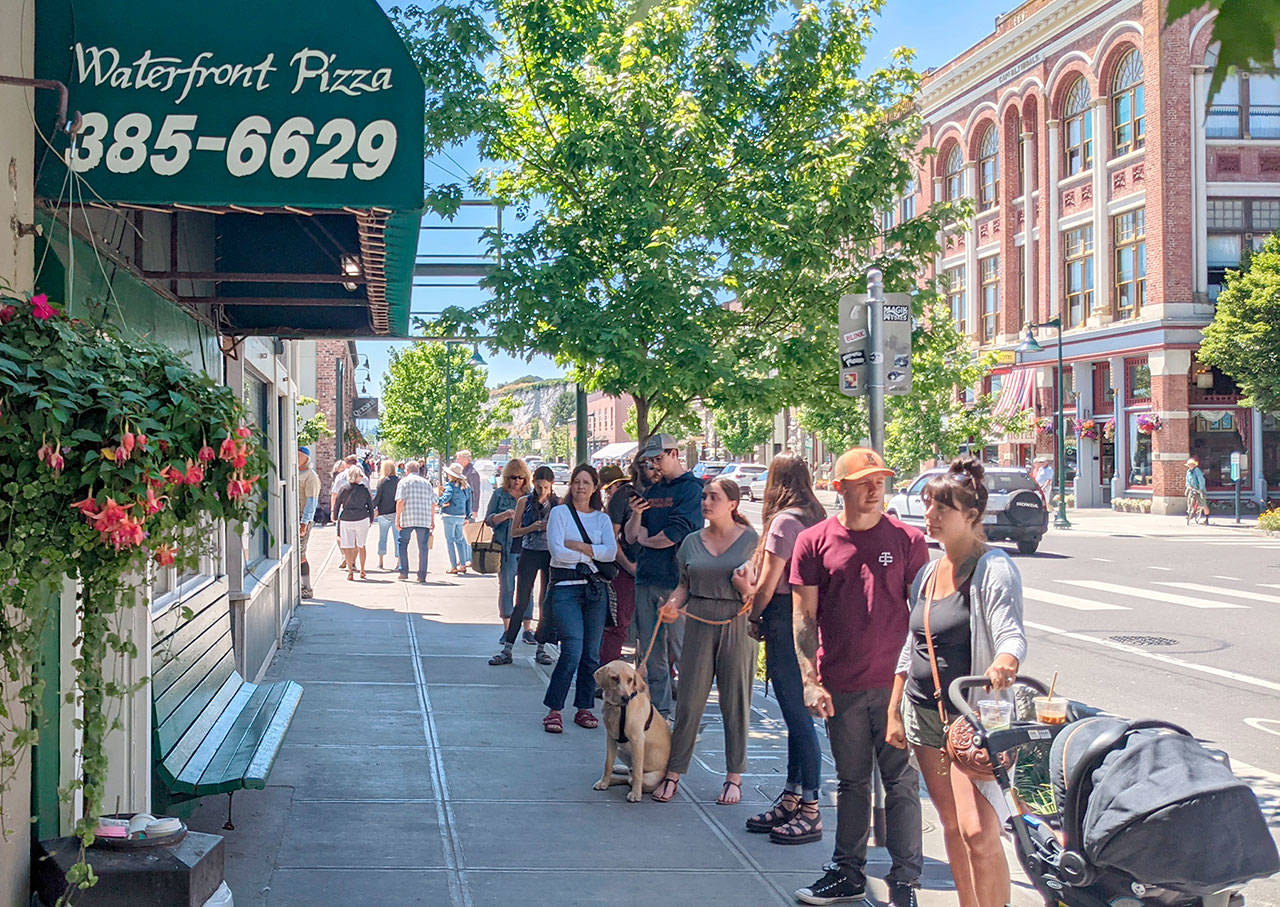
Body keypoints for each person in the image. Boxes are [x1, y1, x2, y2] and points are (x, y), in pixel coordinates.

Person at [791, 448, 928, 907]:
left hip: (896, 686)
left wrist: (918, 683)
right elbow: (804, 615)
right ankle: (847, 873)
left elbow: (923, 618)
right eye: (865, 480)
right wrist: (811, 678)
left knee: (902, 785)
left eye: (881, 479)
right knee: (850, 784)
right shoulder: (814, 541)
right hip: (842, 683)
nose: (876, 487)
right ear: (840, 487)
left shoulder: (909, 540)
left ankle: (905, 883)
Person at [887, 458, 1027, 907]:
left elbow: (1010, 632)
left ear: (971, 516)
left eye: (940, 509)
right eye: (928, 506)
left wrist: (1005, 661)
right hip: (925, 715)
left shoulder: (993, 567)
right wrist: (894, 707)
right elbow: (914, 644)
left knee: (979, 833)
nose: (930, 516)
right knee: (950, 826)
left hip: (971, 721)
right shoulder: (929, 573)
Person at [650, 477, 758, 805]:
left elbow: (757, 591)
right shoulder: (691, 542)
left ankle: (734, 776)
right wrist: (672, 605)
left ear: (733, 504)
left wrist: (745, 590)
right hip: (697, 620)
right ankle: (674, 771)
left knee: (735, 701)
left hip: (737, 623)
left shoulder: (751, 540)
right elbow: (684, 584)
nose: (706, 502)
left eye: (714, 497)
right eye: (704, 497)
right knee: (690, 699)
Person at [742, 454, 828, 843]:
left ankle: (810, 806)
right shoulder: (817, 516)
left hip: (782, 614)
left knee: (796, 716)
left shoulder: (783, 523)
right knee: (797, 715)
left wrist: (752, 614)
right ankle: (793, 795)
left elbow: (768, 581)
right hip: (811, 617)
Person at [624, 434, 703, 718]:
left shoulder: (691, 489)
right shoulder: (652, 491)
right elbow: (632, 535)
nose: (654, 466)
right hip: (647, 577)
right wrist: (635, 517)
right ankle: (659, 712)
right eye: (649, 461)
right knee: (652, 651)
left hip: (677, 581)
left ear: (674, 453)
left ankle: (690, 711)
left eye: (658, 459)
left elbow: (672, 535)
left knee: (682, 648)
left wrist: (647, 540)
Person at [541, 464, 617, 733]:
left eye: (586, 482)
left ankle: (584, 706)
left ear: (595, 487)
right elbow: (557, 552)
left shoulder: (601, 519)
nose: (581, 487)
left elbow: (611, 553)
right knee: (572, 649)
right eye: (576, 481)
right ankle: (554, 708)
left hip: (594, 591)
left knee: (591, 654)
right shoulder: (560, 513)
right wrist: (591, 554)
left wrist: (579, 547)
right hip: (566, 588)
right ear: (570, 485)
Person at [490, 466, 556, 666]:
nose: (542, 491)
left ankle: (541, 647)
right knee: (522, 599)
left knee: (546, 601)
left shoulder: (558, 503)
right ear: (533, 483)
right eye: (539, 486)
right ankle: (508, 647)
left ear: (552, 485)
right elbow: (515, 531)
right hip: (529, 552)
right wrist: (533, 527)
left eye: (546, 487)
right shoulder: (525, 501)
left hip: (550, 554)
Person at [598, 462, 641, 666]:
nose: (610, 492)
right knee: (619, 622)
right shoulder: (623, 498)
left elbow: (610, 539)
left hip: (636, 568)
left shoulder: (621, 497)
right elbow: (611, 539)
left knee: (622, 623)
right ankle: (608, 668)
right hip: (627, 568)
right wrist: (629, 566)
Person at [485, 458, 532, 626]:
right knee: (507, 587)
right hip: (505, 547)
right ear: (507, 478)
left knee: (527, 589)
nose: (517, 481)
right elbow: (488, 519)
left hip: (526, 545)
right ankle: (507, 627)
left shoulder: (530, 495)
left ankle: (527, 627)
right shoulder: (499, 494)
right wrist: (504, 515)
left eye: (520, 477)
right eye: (513, 477)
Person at [395, 461, 434, 583]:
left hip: (408, 517)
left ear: (407, 470)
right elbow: (433, 503)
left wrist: (397, 518)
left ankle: (403, 571)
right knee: (423, 547)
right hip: (423, 518)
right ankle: (422, 575)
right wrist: (432, 519)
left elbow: (400, 501)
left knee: (403, 544)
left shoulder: (404, 482)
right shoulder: (426, 483)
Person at [335, 466, 374, 581]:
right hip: (362, 518)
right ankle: (362, 570)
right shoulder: (364, 489)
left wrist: (334, 516)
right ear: (357, 476)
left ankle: (350, 571)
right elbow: (370, 506)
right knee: (361, 545)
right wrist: (371, 518)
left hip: (347, 519)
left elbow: (338, 504)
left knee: (348, 546)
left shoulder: (343, 488)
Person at [438, 463, 473, 575]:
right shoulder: (466, 487)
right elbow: (469, 503)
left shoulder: (450, 486)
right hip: (461, 516)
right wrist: (468, 516)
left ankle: (453, 566)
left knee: (450, 541)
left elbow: (445, 498)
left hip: (449, 515)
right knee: (459, 540)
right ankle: (462, 565)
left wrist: (439, 502)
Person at [297, 446, 321, 599]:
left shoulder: (310, 476)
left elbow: (311, 502)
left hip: (302, 519)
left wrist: (304, 522)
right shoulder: (294, 472)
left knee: (301, 554)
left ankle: (307, 587)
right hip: (292, 518)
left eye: (300, 456)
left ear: (306, 458)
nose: (297, 458)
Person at [371, 460, 400, 571]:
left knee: (382, 538)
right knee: (397, 539)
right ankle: (399, 562)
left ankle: (381, 561)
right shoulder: (399, 481)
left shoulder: (381, 482)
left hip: (383, 513)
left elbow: (377, 498)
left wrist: (370, 509)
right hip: (396, 513)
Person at [458, 449, 482, 569]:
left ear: (465, 459)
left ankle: (470, 558)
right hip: (464, 506)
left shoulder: (472, 473)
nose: (457, 460)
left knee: (469, 533)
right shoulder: (464, 472)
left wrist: (475, 508)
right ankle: (464, 558)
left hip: (470, 507)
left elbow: (476, 492)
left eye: (459, 458)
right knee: (463, 533)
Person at [1185, 457, 1209, 525]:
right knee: (1189, 500)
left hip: (1199, 490)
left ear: (1194, 465)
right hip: (1193, 489)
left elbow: (1201, 480)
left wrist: (1201, 489)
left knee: (1203, 504)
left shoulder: (1197, 471)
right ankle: (1190, 511)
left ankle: (1207, 519)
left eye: (1192, 464)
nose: (1190, 466)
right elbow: (1187, 480)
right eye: (1189, 465)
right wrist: (1188, 486)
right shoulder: (1188, 472)